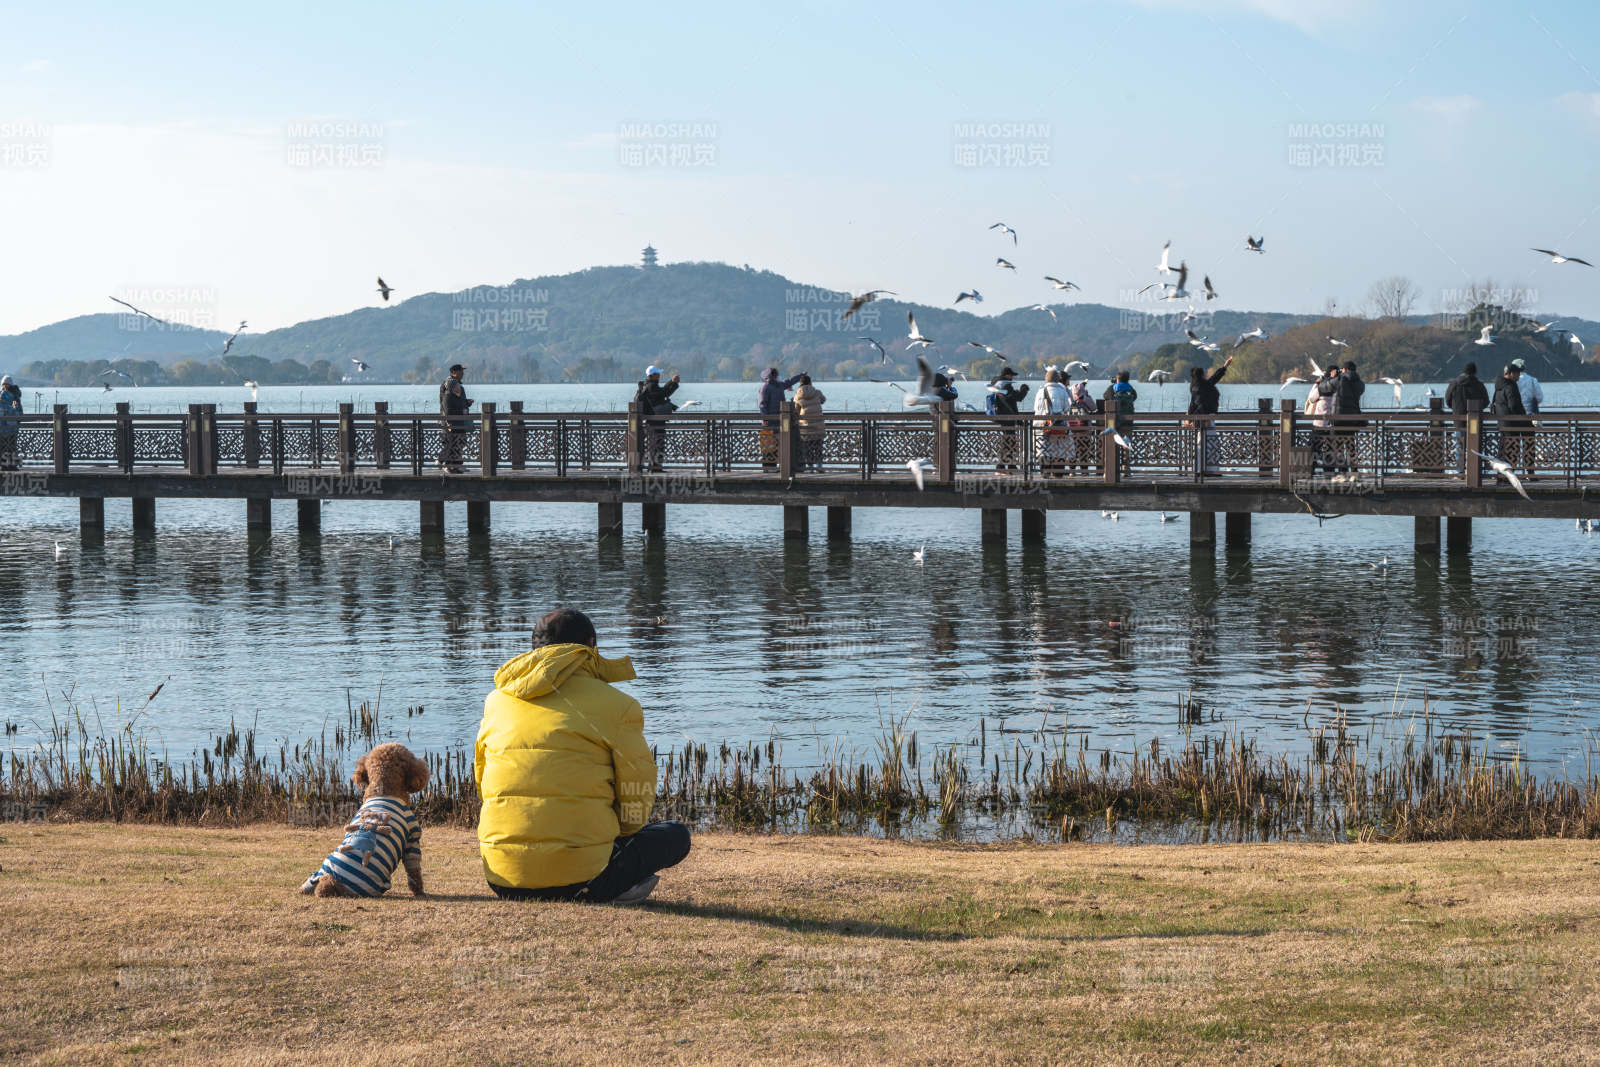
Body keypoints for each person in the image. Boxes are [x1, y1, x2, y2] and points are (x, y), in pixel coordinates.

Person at [475, 608, 691, 905]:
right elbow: (636, 794)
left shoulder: (496, 701)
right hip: (582, 879)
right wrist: (621, 834)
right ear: (591, 646)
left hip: (503, 880)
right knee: (676, 835)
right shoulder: (619, 705)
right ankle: (609, 886)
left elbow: (483, 782)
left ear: (533, 649)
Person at [1316, 361, 1365, 473]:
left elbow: (1322, 388)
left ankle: (1342, 471)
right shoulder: (1360, 383)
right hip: (1353, 419)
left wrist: (1329, 378)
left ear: (1344, 369)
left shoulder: (1339, 380)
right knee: (1351, 446)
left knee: (1337, 446)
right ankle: (1354, 470)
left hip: (1339, 419)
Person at [1188, 356, 1233, 475]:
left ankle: (1200, 469)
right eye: (1204, 374)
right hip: (1206, 419)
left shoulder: (1194, 387)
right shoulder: (1204, 386)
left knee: (1201, 444)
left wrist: (1189, 418)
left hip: (1200, 419)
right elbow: (1215, 378)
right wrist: (1225, 366)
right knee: (1211, 444)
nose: (1206, 375)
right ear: (1201, 375)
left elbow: (1192, 404)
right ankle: (1210, 470)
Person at [1444, 362, 1490, 478]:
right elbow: (1486, 401)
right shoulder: (1478, 384)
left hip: (1459, 420)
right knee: (1475, 445)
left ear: (1464, 371)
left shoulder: (1454, 383)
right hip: (1474, 421)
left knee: (1460, 445)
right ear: (1474, 372)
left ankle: (1460, 472)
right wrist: (1477, 409)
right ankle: (1474, 472)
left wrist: (1455, 409)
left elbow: (1447, 400)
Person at [635, 365, 680, 473]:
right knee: (657, 444)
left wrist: (672, 383)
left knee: (655, 444)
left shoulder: (648, 386)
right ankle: (655, 468)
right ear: (652, 375)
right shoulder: (651, 387)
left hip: (652, 420)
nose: (659, 375)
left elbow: (662, 393)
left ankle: (655, 467)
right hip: (655, 421)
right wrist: (673, 383)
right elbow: (664, 393)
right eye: (657, 374)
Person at [757, 367, 804, 470]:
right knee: (770, 445)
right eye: (775, 374)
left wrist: (800, 375)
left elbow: (789, 381)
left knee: (775, 445)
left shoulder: (774, 386)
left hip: (778, 420)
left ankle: (772, 467)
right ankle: (770, 467)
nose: (776, 376)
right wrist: (765, 419)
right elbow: (762, 405)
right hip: (772, 421)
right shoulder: (768, 387)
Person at [1491, 363, 1532, 478]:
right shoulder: (1510, 386)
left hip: (1502, 424)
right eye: (1517, 373)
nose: (1519, 375)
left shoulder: (1499, 386)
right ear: (1511, 374)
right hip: (1512, 424)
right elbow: (1514, 406)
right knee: (1512, 450)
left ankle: (1501, 475)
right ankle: (1510, 476)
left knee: (1503, 450)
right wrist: (1524, 419)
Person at [987, 367, 1029, 471]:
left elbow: (1010, 400)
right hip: (1008, 418)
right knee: (1008, 441)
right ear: (1006, 375)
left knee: (1009, 441)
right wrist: (1024, 389)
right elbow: (1017, 397)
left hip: (1002, 416)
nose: (1012, 377)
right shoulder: (1005, 385)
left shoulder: (996, 384)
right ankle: (1001, 466)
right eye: (1011, 375)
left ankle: (1011, 465)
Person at [1032, 368, 1069, 477]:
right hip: (1059, 425)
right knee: (1059, 448)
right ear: (1058, 379)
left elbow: (1036, 409)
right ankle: (1058, 472)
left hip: (1043, 425)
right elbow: (1067, 408)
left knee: (1043, 448)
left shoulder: (1040, 391)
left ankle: (1045, 472)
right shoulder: (1062, 391)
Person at [437, 364, 472, 473]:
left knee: (460, 441)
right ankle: (446, 463)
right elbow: (447, 406)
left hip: (460, 420)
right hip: (450, 421)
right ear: (453, 373)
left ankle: (456, 464)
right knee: (451, 442)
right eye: (460, 372)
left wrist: (466, 403)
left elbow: (459, 402)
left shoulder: (459, 387)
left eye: (462, 372)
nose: (462, 374)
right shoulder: (448, 385)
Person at [1102, 371, 1137, 475]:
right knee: (1126, 445)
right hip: (1128, 422)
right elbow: (1135, 397)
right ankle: (1126, 469)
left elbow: (1105, 397)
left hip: (1113, 422)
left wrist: (1113, 385)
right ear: (1128, 379)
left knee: (1111, 444)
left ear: (1117, 379)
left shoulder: (1112, 388)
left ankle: (1110, 470)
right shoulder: (1131, 389)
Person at [793, 374, 826, 472]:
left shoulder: (797, 396)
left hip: (805, 426)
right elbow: (823, 400)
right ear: (810, 382)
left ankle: (810, 466)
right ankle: (819, 466)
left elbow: (796, 411)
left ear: (800, 384)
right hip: (818, 425)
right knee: (818, 446)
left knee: (807, 447)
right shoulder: (817, 392)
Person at [1304, 373, 1333, 474]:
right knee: (1330, 448)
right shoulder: (1337, 386)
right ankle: (1329, 471)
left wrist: (1316, 384)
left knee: (1314, 447)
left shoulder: (1321, 388)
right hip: (1332, 424)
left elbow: (1311, 398)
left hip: (1319, 423)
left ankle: (1310, 469)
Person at [0, 376, 20, 471]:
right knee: (12, 447)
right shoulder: (15, 396)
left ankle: (4, 466)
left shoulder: (2, 395)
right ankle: (13, 465)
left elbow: (2, 411)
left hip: (3, 427)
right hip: (13, 427)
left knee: (4, 447)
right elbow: (17, 410)